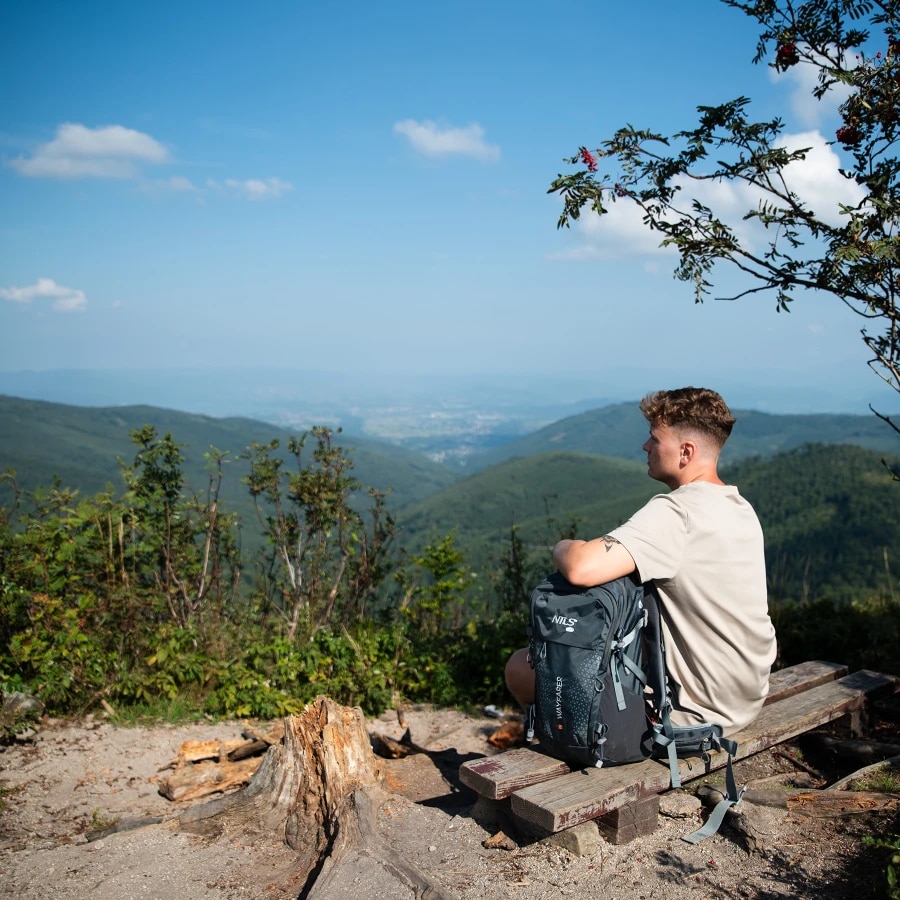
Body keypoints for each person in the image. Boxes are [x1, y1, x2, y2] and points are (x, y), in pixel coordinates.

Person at [505, 386, 777, 736]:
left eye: (654, 438)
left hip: (692, 712)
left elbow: (580, 567)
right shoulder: (739, 508)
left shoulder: (677, 512)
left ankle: (560, 751)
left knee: (519, 667)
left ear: (685, 452)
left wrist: (562, 545)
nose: (646, 447)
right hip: (744, 698)